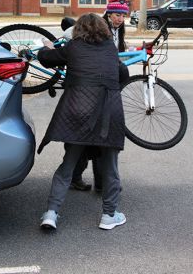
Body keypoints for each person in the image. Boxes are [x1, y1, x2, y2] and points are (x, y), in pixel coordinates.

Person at [37, 13, 128, 230]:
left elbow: (46, 59)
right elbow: (123, 74)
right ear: (103, 30)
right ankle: (109, 215)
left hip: (77, 111)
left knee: (67, 164)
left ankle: (51, 213)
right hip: (108, 113)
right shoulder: (110, 48)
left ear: (78, 30)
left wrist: (47, 47)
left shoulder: (73, 47)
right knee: (111, 167)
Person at [69, 0, 130, 193]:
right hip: (93, 90)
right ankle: (79, 178)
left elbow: (117, 52)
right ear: (109, 14)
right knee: (87, 142)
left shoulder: (118, 30)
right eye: (117, 15)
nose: (120, 19)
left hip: (103, 91)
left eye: (123, 15)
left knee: (96, 141)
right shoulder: (99, 29)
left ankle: (101, 183)